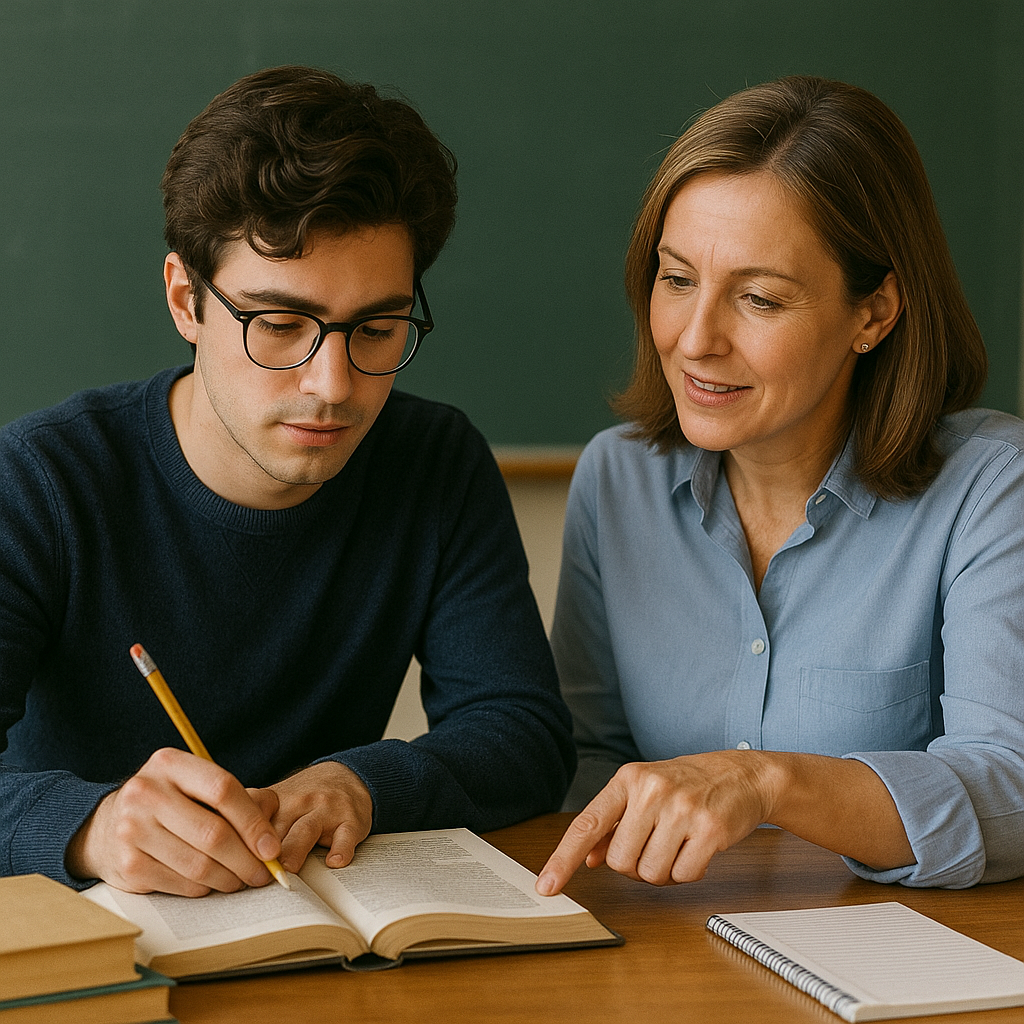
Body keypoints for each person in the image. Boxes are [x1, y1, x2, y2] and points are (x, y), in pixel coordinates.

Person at [0, 65, 574, 897]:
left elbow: (523, 733)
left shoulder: (433, 461)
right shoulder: (41, 482)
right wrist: (92, 828)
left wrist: (364, 783)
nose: (334, 384)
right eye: (279, 325)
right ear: (185, 300)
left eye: (376, 328)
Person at [536, 75, 1024, 897]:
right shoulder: (616, 479)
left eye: (759, 298)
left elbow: (1011, 788)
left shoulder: (991, 488)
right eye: (677, 278)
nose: (695, 339)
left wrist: (767, 782)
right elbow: (587, 762)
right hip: (675, 959)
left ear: (874, 314)